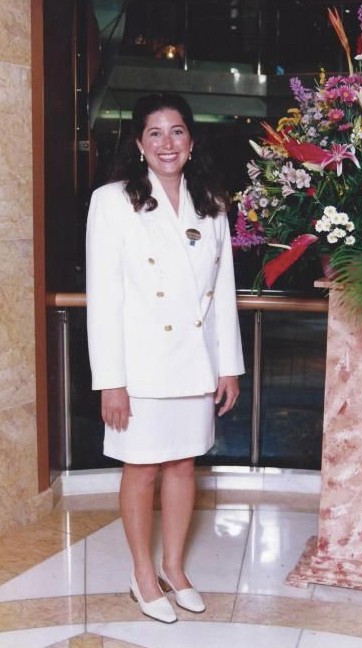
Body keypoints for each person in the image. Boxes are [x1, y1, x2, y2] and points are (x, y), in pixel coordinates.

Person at [86, 92, 244, 623]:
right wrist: (111, 380)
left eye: (177, 131)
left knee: (182, 464)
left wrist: (228, 365)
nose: (167, 143)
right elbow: (104, 298)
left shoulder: (211, 203)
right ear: (138, 143)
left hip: (194, 362)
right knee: (142, 468)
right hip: (141, 366)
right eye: (154, 133)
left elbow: (223, 292)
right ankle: (142, 574)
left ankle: (174, 569)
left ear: (192, 142)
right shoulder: (112, 201)